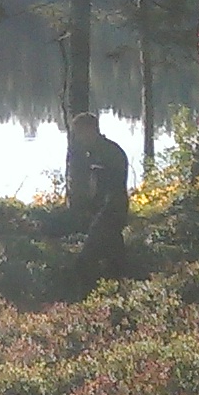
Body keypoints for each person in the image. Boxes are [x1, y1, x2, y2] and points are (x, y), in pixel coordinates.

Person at [70, 112, 132, 288]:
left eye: (79, 133)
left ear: (90, 130)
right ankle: (118, 291)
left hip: (112, 211)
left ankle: (88, 295)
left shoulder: (110, 152)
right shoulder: (93, 153)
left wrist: (99, 211)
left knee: (85, 260)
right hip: (105, 211)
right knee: (114, 258)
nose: (78, 138)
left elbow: (112, 187)